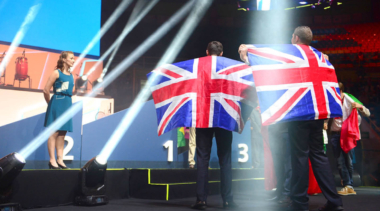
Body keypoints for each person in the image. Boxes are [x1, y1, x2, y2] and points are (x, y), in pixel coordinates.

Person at [238, 26, 343, 211]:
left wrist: (248, 50)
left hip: (300, 112)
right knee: (319, 155)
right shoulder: (321, 56)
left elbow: (270, 56)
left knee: (299, 156)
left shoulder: (292, 53)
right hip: (318, 113)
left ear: (295, 38)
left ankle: (299, 202)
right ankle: (335, 201)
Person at [191, 41, 237, 210]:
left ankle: (201, 200)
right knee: (225, 159)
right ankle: (228, 200)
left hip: (203, 116)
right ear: (222, 53)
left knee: (202, 158)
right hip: (224, 116)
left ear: (206, 51)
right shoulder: (229, 66)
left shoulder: (197, 65)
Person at [328, 82, 370, 196]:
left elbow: (367, 113)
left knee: (348, 161)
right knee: (339, 162)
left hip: (347, 134)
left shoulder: (350, 99)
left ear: (340, 91)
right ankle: (347, 184)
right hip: (335, 134)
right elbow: (327, 114)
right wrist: (325, 123)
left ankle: (348, 185)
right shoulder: (331, 100)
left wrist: (360, 107)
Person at [43, 51, 75, 170]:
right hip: (57, 102)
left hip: (67, 103)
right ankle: (52, 160)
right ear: (65, 59)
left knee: (62, 133)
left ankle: (60, 159)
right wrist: (51, 104)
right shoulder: (56, 73)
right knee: (54, 132)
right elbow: (46, 90)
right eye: (71, 58)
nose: (73, 60)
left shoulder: (71, 75)